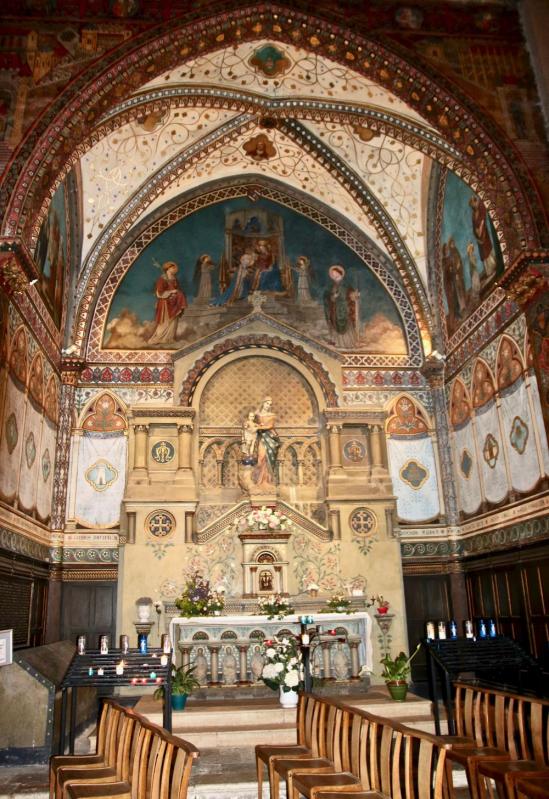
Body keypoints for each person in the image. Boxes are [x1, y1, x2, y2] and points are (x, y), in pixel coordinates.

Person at [147, 261, 187, 345]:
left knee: (173, 321)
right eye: (172, 268)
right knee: (165, 322)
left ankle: (169, 339)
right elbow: (159, 293)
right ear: (168, 269)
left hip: (174, 303)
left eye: (175, 268)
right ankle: (159, 338)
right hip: (165, 303)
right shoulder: (162, 279)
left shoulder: (174, 279)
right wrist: (172, 291)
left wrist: (177, 293)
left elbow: (178, 289)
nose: (174, 269)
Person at [324, 264, 360, 348]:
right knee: (336, 323)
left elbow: (351, 294)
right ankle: (338, 342)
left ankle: (348, 343)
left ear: (339, 273)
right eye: (332, 274)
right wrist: (333, 297)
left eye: (335, 273)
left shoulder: (346, 285)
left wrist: (355, 295)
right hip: (335, 308)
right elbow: (329, 297)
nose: (333, 275)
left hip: (344, 308)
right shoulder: (333, 286)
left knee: (346, 324)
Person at [252, 397, 281, 489]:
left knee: (269, 459)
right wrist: (256, 426)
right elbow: (252, 424)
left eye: (270, 404)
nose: (268, 405)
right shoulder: (257, 415)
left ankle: (267, 481)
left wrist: (259, 427)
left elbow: (270, 426)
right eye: (267, 403)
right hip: (261, 438)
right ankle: (259, 481)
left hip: (270, 438)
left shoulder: (272, 415)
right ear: (263, 403)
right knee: (261, 457)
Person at [469, 195, 497, 279]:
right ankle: (489, 271)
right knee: (483, 253)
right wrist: (476, 232)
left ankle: (493, 266)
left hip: (484, 233)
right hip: (479, 236)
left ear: (475, 202)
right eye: (471, 206)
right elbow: (474, 226)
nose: (473, 206)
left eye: (473, 204)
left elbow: (483, 218)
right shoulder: (473, 214)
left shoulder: (481, 207)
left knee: (487, 249)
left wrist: (481, 227)